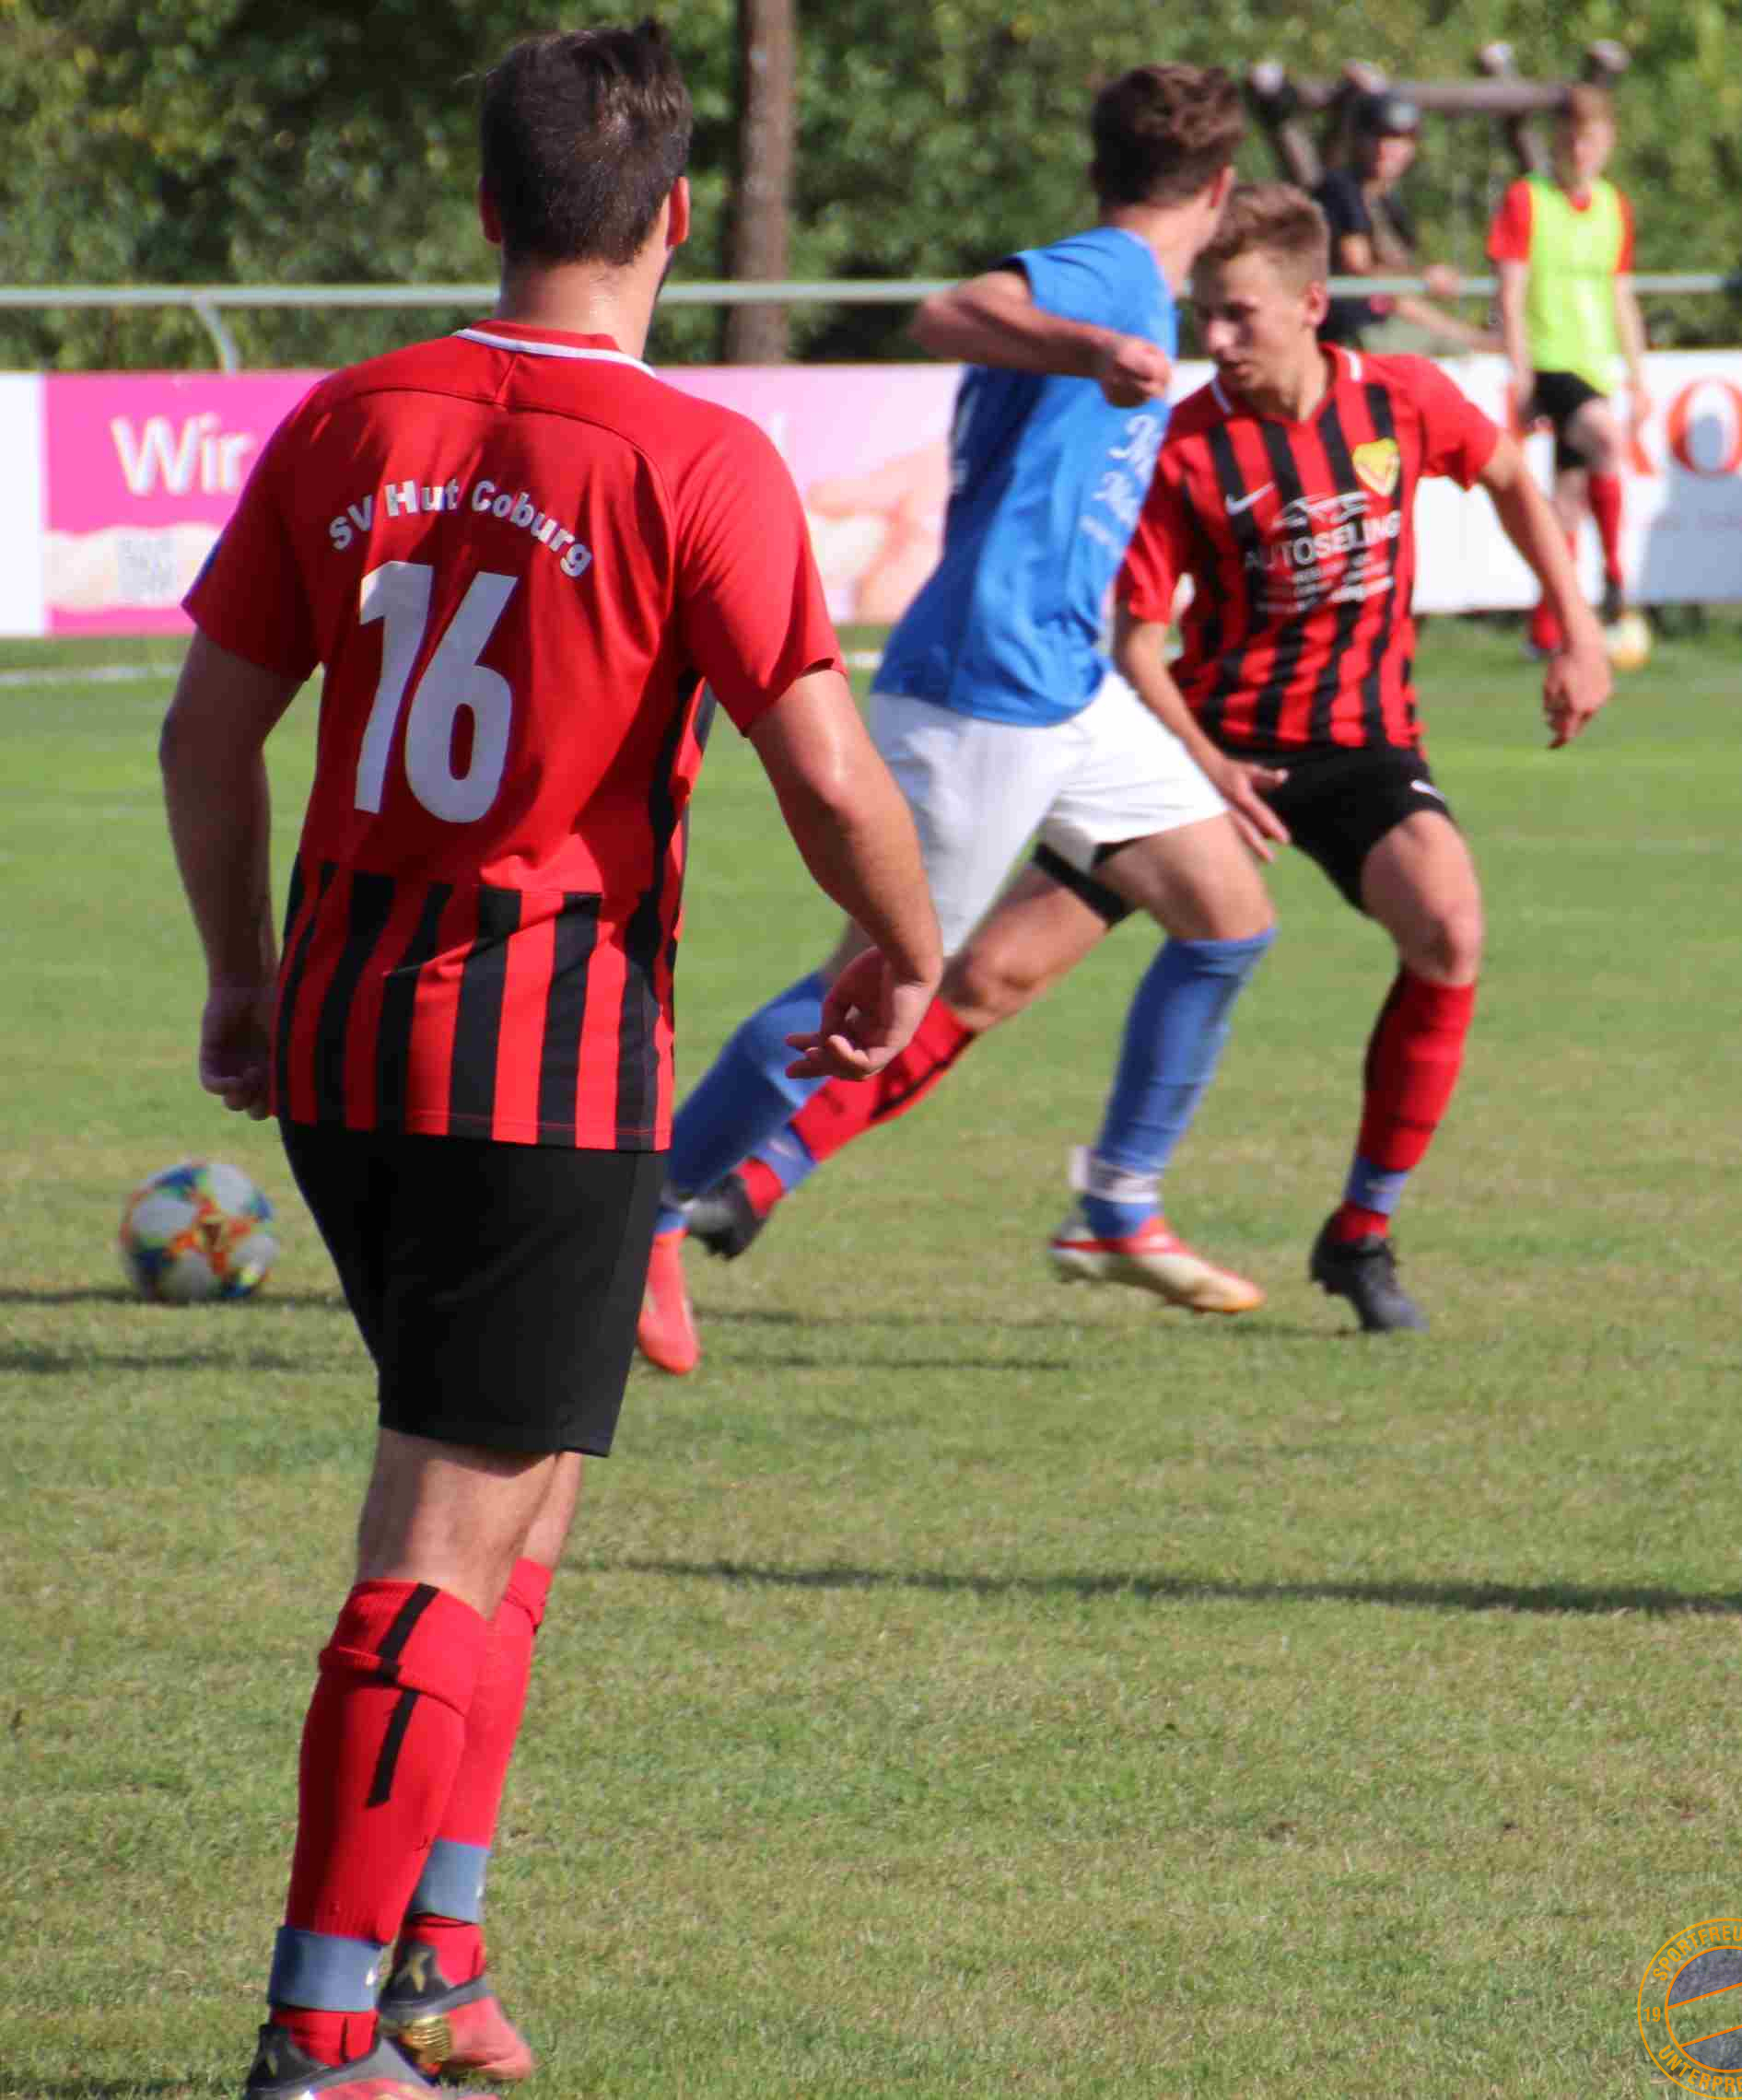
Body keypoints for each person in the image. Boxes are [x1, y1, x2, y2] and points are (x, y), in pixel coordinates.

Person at [159, 23, 940, 2099]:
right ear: (675, 216)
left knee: (522, 1497)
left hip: (344, 1045)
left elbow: (206, 731)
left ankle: (437, 1954)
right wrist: (907, 945)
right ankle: (321, 2035)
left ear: (490, 202)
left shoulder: (353, 417)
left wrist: (239, 980)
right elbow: (828, 772)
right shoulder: (696, 460)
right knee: (444, 1529)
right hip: (541, 1066)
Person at [637, 62, 1282, 1379]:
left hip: (1065, 683)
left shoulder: (1127, 283)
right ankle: (639, 1212)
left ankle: (1116, 1205)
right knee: (871, 984)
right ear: (1218, 191)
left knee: (1225, 916)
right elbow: (949, 311)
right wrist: (1095, 349)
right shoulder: (1111, 275)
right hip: (983, 687)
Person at [1114, 183, 1608, 1328]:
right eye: (1203, 314)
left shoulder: (1400, 399)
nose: (1214, 339)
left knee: (1449, 929)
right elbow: (1133, 639)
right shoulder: (1181, 446)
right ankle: (746, 1179)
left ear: (1310, 304)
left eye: (1237, 313)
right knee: (999, 965)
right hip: (1207, 744)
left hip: (1358, 746)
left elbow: (1509, 477)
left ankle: (1361, 1233)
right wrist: (1203, 765)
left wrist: (1575, 628)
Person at [1488, 83, 1649, 655]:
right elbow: (1511, 295)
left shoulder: (1613, 205)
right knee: (1607, 439)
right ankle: (1615, 581)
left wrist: (1638, 377)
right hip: (1550, 362)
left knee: (1568, 497)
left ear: (1608, 142)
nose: (1581, 151)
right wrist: (1522, 377)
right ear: (1556, 141)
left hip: (1594, 365)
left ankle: (1548, 624)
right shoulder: (1526, 199)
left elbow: (1621, 296)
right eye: (1571, 139)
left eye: (1592, 140)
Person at [1313, 91, 1495, 356]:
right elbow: (1360, 269)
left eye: (1397, 139)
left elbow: (1398, 297)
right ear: (1358, 140)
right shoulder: (1341, 189)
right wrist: (1422, 278)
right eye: (1377, 136)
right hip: (1352, 333)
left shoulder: (1387, 202)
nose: (1385, 148)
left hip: (1383, 325)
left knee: (1472, 352)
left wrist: (1468, 335)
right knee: (1459, 357)